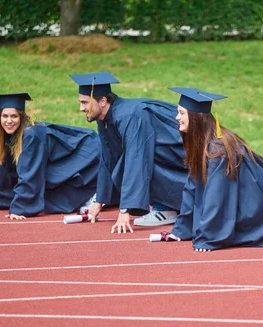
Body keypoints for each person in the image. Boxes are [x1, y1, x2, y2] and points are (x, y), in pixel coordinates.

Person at [163, 87, 263, 251]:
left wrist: (209, 238)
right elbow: (192, 188)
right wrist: (182, 229)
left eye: (181, 113)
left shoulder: (217, 150)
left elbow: (216, 196)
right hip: (249, 201)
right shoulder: (203, 144)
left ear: (197, 117)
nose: (177, 117)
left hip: (261, 209)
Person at [70, 72, 188, 234]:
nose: (81, 108)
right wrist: (99, 201)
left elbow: (136, 158)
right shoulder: (104, 119)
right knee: (120, 163)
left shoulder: (130, 115)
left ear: (103, 101)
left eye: (84, 102)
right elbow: (108, 158)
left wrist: (125, 211)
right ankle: (167, 205)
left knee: (135, 162)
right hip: (161, 154)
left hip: (180, 155)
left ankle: (166, 208)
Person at [0, 93, 100, 219]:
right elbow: (6, 169)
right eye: (5, 116)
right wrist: (0, 199)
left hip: (90, 155)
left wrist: (20, 208)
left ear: (21, 117)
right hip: (73, 157)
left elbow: (30, 172)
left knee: (51, 200)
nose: (9, 121)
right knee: (42, 193)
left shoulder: (31, 134)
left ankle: (93, 194)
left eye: (14, 116)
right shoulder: (9, 135)